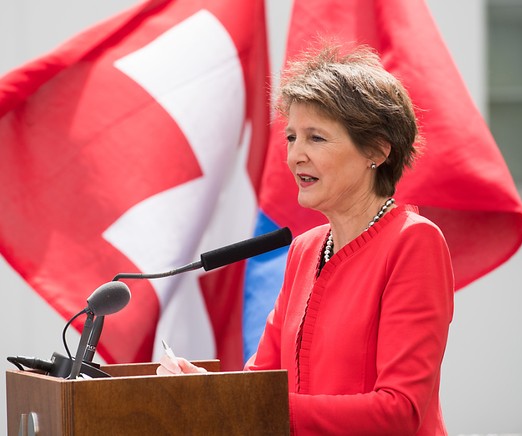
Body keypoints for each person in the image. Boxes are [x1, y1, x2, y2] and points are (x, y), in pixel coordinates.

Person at [157, 42, 454, 435]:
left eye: (316, 138)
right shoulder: (304, 248)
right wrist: (207, 389)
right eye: (292, 137)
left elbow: (399, 411)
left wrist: (243, 403)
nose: (294, 155)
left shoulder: (413, 243)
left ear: (377, 151)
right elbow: (262, 379)